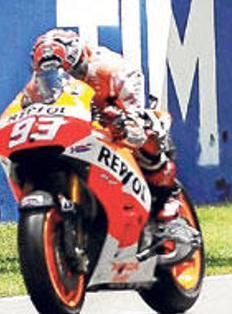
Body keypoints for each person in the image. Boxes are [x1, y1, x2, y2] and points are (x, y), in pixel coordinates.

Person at [26, 29, 181, 222]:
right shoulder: (37, 85)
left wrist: (122, 121)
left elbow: (135, 115)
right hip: (73, 129)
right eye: (48, 77)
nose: (64, 80)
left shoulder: (114, 70)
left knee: (144, 131)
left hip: (113, 118)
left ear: (80, 62)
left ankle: (167, 194)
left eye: (71, 73)